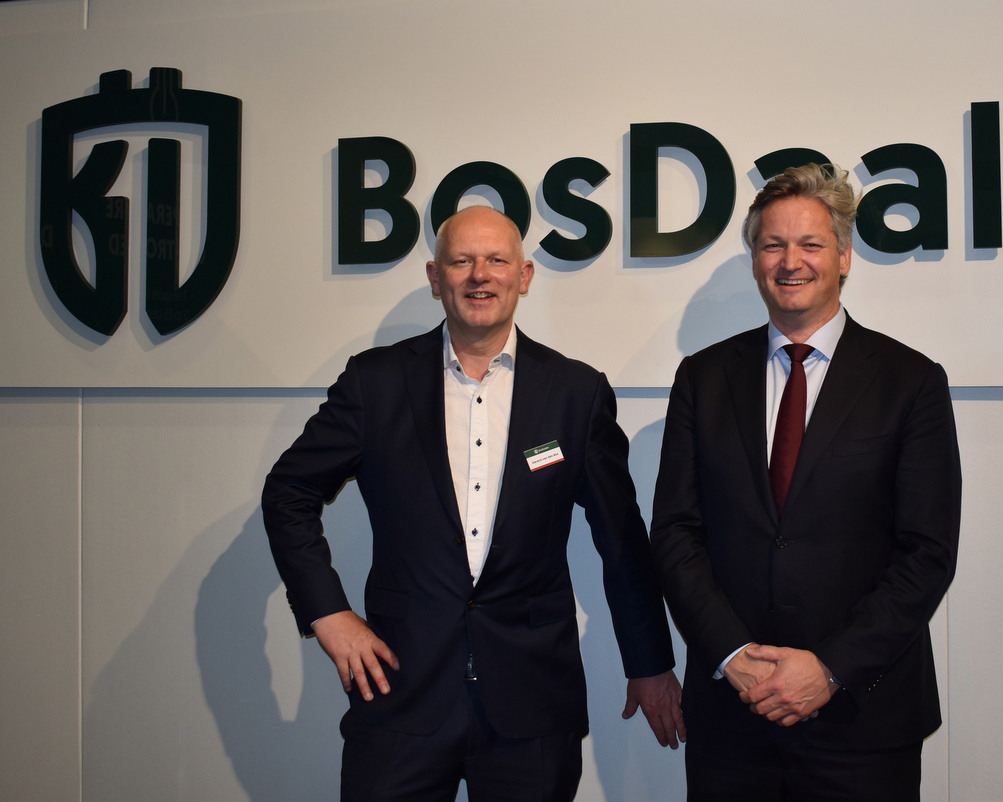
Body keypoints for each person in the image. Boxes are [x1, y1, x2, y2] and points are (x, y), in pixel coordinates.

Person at [262, 206, 684, 802]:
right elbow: (288, 491)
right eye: (461, 261)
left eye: (496, 260)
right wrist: (327, 613)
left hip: (533, 702)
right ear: (436, 278)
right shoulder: (375, 382)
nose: (479, 275)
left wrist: (649, 662)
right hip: (400, 693)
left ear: (524, 276)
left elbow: (621, 540)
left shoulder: (576, 392)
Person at [650, 164, 961, 801]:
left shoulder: (911, 382)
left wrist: (830, 669)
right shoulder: (702, 379)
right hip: (732, 723)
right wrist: (731, 655)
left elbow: (927, 552)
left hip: (862, 721)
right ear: (755, 260)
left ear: (843, 257)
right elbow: (677, 534)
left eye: (810, 244)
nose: (791, 262)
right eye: (773, 245)